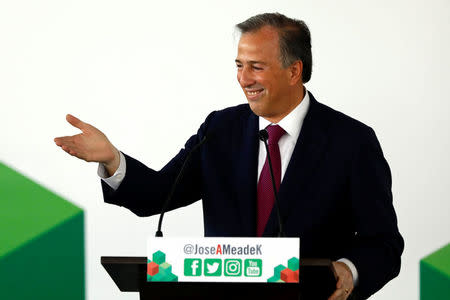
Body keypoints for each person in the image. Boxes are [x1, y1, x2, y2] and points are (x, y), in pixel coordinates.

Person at [54, 13, 404, 300]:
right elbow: (160, 193)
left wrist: (349, 270)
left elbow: (384, 243)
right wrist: (113, 159)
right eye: (239, 65)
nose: (243, 78)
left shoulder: (352, 141)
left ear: (294, 71)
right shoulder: (220, 129)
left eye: (256, 66)